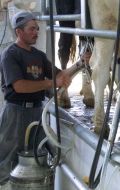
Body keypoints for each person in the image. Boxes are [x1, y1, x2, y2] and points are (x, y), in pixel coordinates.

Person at [0, 11, 72, 184]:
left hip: (37, 112)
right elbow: (19, 86)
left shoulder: (39, 56)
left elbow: (60, 75)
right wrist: (51, 83)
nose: (36, 32)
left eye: (37, 29)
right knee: (7, 158)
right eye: (32, 29)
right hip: (16, 112)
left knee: (36, 155)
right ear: (19, 32)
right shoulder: (10, 54)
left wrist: (81, 64)